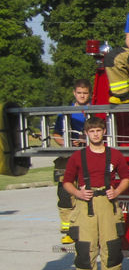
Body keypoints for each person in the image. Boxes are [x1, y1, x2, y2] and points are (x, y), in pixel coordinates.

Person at [61, 116, 129, 270]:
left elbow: (126, 177)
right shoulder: (78, 156)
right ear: (86, 133)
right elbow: (66, 181)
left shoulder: (115, 155)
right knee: (85, 251)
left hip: (108, 205)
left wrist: (116, 191)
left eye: (98, 130)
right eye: (91, 131)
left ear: (104, 132)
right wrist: (78, 193)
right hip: (86, 207)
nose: (95, 134)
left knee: (111, 250)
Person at [52, 79, 90, 243]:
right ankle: (68, 230)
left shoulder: (95, 110)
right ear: (74, 93)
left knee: (87, 194)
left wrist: (85, 141)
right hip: (68, 158)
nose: (82, 96)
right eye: (79, 93)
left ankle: (84, 228)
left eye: (85, 93)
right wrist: (66, 144)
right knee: (66, 193)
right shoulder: (65, 113)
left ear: (90, 94)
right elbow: (56, 134)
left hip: (88, 156)